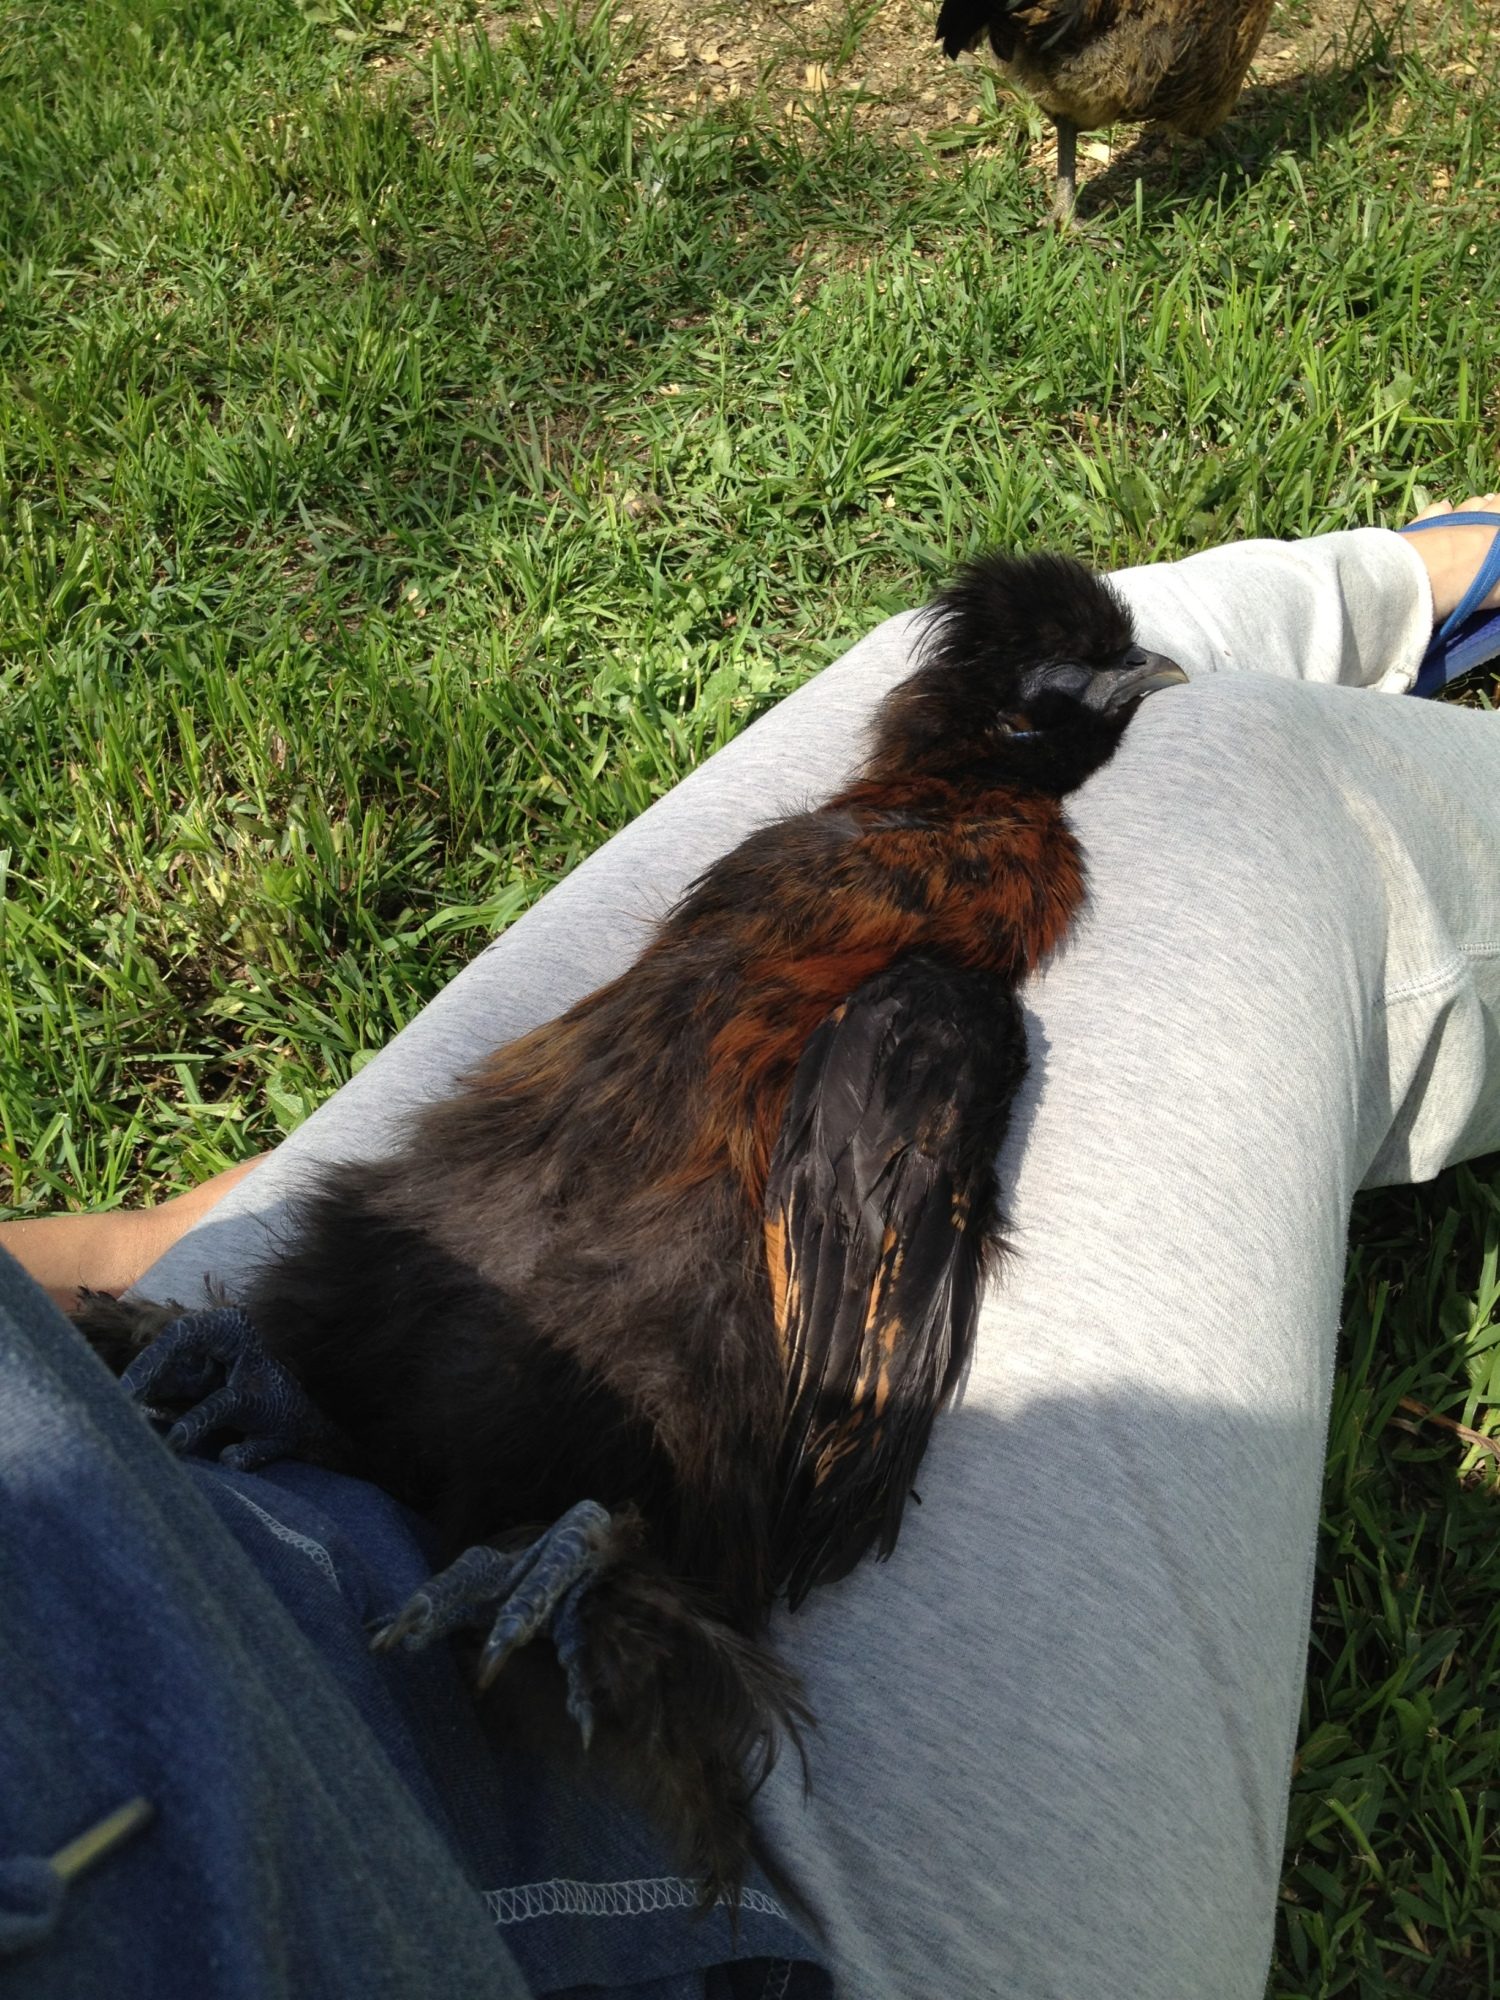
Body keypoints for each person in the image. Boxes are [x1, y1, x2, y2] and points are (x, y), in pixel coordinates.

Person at [3, 497, 1499, 2000]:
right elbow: (834, 1450)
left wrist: (162, 1252)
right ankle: (1398, 591)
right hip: (576, 1795)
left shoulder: (845, 881)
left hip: (233, 1450)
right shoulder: (925, 1001)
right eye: (1072, 694)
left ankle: (1376, 590)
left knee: (1116, 716)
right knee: (1241, 771)